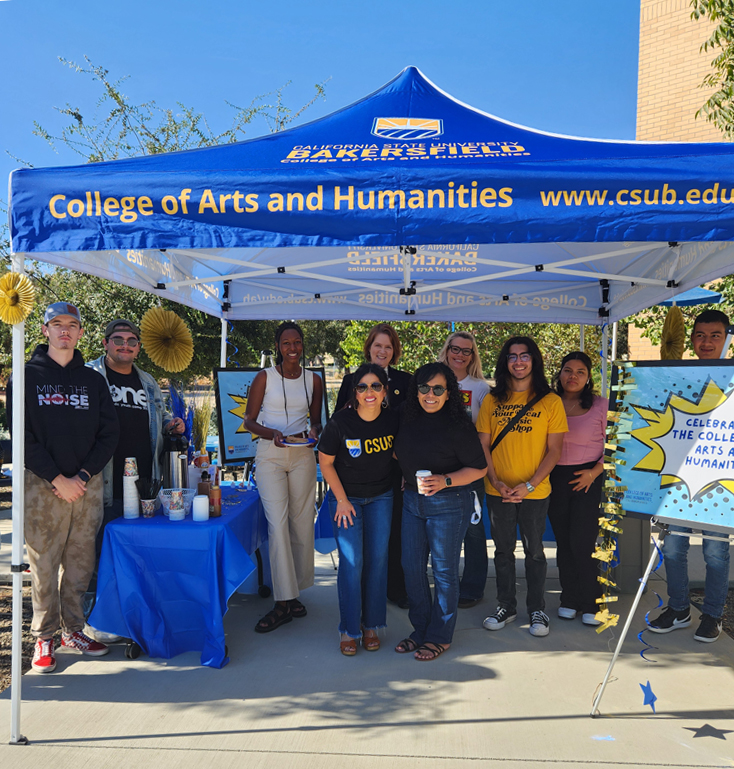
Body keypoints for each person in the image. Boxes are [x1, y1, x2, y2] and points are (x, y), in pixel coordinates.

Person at [8, 302, 119, 673]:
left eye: (72, 325)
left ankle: (74, 629)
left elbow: (109, 433)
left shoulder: (93, 380)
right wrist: (57, 479)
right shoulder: (25, 376)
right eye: (57, 324)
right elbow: (20, 435)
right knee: (43, 564)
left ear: (82, 333)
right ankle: (44, 637)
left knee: (80, 561)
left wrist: (83, 477)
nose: (65, 331)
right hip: (43, 488)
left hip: (86, 487)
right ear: (44, 330)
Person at [84, 319, 185, 636]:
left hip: (145, 485)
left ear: (138, 347)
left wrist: (172, 425)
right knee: (97, 553)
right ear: (105, 343)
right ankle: (96, 621)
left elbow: (159, 418)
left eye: (131, 340)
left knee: (136, 553)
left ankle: (132, 616)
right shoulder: (89, 376)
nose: (125, 345)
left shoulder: (149, 382)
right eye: (118, 339)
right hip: (101, 483)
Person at [393, 362, 487, 661]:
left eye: (437, 389)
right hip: (411, 500)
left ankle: (440, 635)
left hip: (450, 503)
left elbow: (479, 468)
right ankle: (420, 630)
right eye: (423, 388)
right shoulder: (403, 417)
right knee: (411, 567)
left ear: (449, 393)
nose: (429, 395)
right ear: (415, 390)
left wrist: (444, 480)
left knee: (444, 572)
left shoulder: (458, 425)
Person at [649, 308, 732, 642]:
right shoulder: (676, 375)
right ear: (692, 338)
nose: (707, 342)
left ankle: (712, 615)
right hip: (679, 479)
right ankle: (680, 608)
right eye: (700, 335)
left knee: (715, 552)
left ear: (726, 337)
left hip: (720, 482)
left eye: (715, 335)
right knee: (672, 549)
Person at [477, 336, 567, 637]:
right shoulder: (492, 400)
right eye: (512, 356)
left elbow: (554, 450)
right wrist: (496, 481)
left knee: (535, 552)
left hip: (535, 492)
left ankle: (537, 609)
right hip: (498, 491)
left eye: (524, 356)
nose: (518, 361)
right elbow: (484, 445)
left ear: (534, 360)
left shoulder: (550, 401)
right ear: (505, 362)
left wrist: (529, 485)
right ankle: (506, 605)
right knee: (503, 552)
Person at [244, 321, 323, 633]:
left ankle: (295, 592)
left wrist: (314, 433)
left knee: (302, 523)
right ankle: (282, 601)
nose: (293, 348)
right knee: (277, 525)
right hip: (270, 454)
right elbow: (249, 421)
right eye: (286, 343)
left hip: (303, 454)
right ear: (278, 346)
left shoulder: (314, 380)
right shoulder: (265, 377)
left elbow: (316, 422)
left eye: (298, 342)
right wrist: (272, 433)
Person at [318, 363, 399, 655]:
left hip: (381, 497)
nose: (369, 392)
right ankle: (349, 629)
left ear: (384, 391)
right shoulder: (340, 422)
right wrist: (341, 500)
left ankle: (371, 626)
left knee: (377, 562)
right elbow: (325, 462)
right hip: (346, 499)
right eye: (363, 387)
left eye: (375, 386)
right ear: (354, 392)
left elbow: (399, 452)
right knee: (352, 565)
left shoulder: (392, 420)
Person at [335, 323, 412, 609]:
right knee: (359, 540)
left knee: (392, 534)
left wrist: (407, 468)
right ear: (369, 347)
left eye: (388, 347)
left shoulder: (407, 381)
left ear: (395, 352)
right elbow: (339, 422)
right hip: (359, 470)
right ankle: (361, 591)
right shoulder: (352, 380)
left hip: (395, 471)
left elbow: (411, 427)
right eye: (378, 345)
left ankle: (394, 587)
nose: (383, 351)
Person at [547, 351, 606, 626]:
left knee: (582, 544)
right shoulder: (548, 402)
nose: (573, 376)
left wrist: (593, 473)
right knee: (563, 544)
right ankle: (569, 598)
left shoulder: (601, 405)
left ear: (588, 377)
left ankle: (593, 602)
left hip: (588, 479)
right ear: (559, 373)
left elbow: (619, 446)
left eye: (580, 371)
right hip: (554, 478)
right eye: (568, 370)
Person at [439, 331, 490, 608]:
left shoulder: (481, 388)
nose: (459, 355)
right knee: (438, 528)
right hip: (437, 468)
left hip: (469, 470)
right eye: (455, 349)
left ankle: (472, 587)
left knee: (473, 529)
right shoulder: (431, 380)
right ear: (447, 350)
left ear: (473, 356)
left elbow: (485, 434)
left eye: (466, 351)